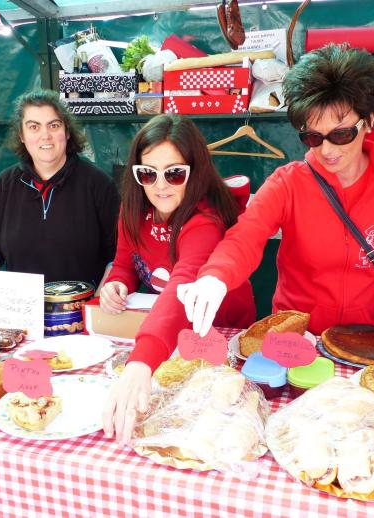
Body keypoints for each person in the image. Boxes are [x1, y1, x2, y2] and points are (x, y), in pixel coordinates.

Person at [177, 44, 374, 350]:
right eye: (313, 137)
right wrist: (214, 278)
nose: (327, 150)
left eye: (341, 134)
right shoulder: (288, 182)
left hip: (361, 338)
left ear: (370, 121)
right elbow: (245, 237)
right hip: (294, 337)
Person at [101, 114, 256, 444]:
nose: (160, 185)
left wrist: (141, 362)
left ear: (194, 171)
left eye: (174, 173)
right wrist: (117, 283)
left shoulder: (205, 221)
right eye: (148, 173)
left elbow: (182, 282)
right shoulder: (132, 210)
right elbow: (124, 263)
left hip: (220, 339)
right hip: (170, 337)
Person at [0, 89, 120, 285]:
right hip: (21, 309)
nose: (45, 135)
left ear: (67, 132)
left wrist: (98, 305)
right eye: (34, 127)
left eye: (54, 125)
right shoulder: (4, 185)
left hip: (81, 310)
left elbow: (119, 257)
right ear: (21, 135)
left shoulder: (98, 184)